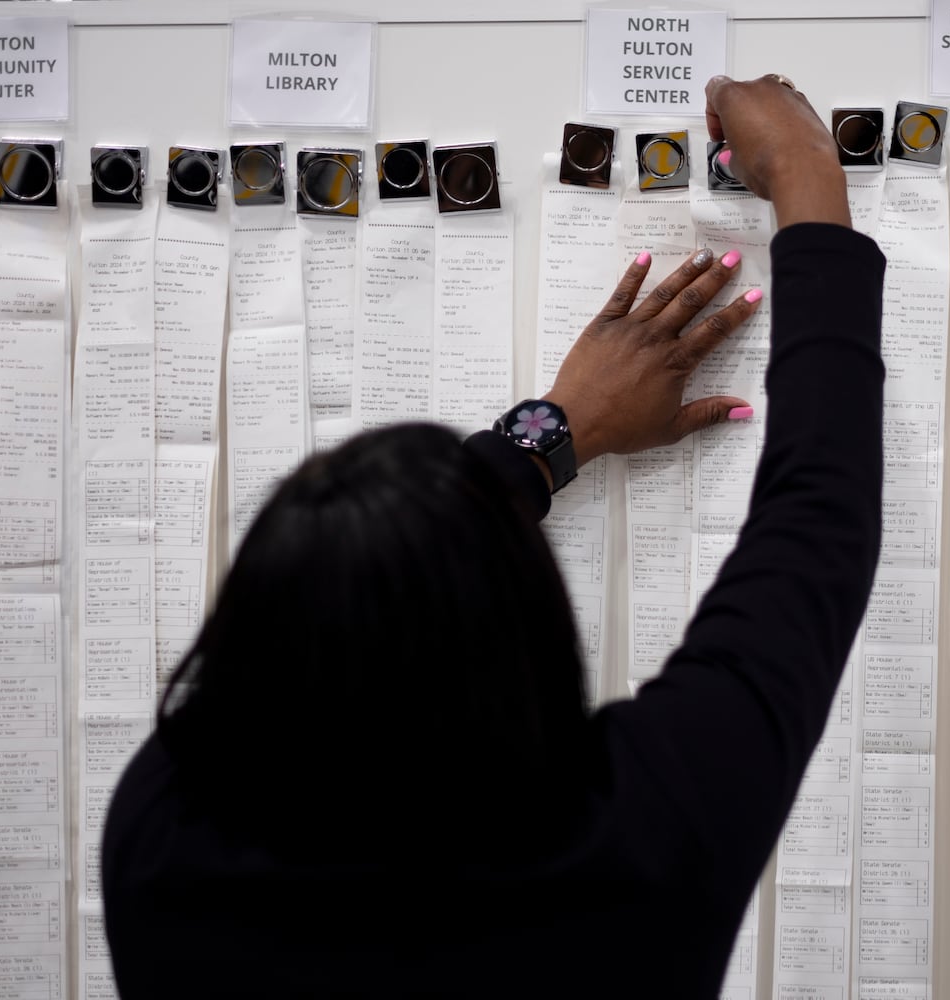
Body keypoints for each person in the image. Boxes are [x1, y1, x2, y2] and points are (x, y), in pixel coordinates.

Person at [102, 74, 885, 997]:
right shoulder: (634, 839)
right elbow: (818, 515)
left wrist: (553, 431)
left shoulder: (164, 840)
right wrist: (801, 164)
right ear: (529, 626)